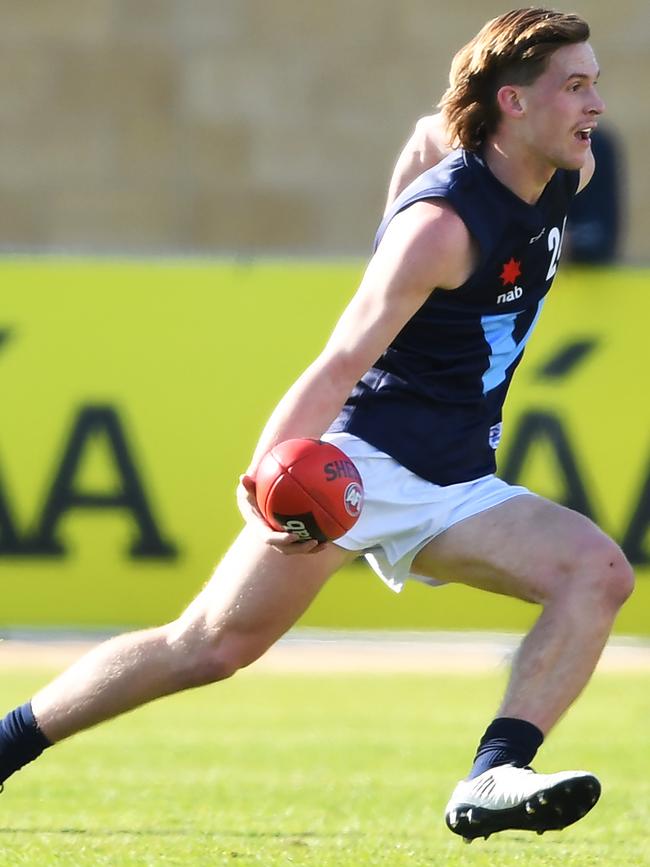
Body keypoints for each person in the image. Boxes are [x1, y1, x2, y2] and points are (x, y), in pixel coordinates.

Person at [0, 7, 634, 844]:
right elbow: (338, 364)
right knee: (208, 648)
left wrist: (429, 151)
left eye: (595, 83)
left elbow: (423, 131)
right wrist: (262, 479)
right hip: (361, 465)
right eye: (575, 86)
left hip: (456, 481)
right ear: (514, 104)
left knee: (598, 572)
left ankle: (492, 774)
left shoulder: (563, 174)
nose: (595, 105)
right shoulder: (439, 229)